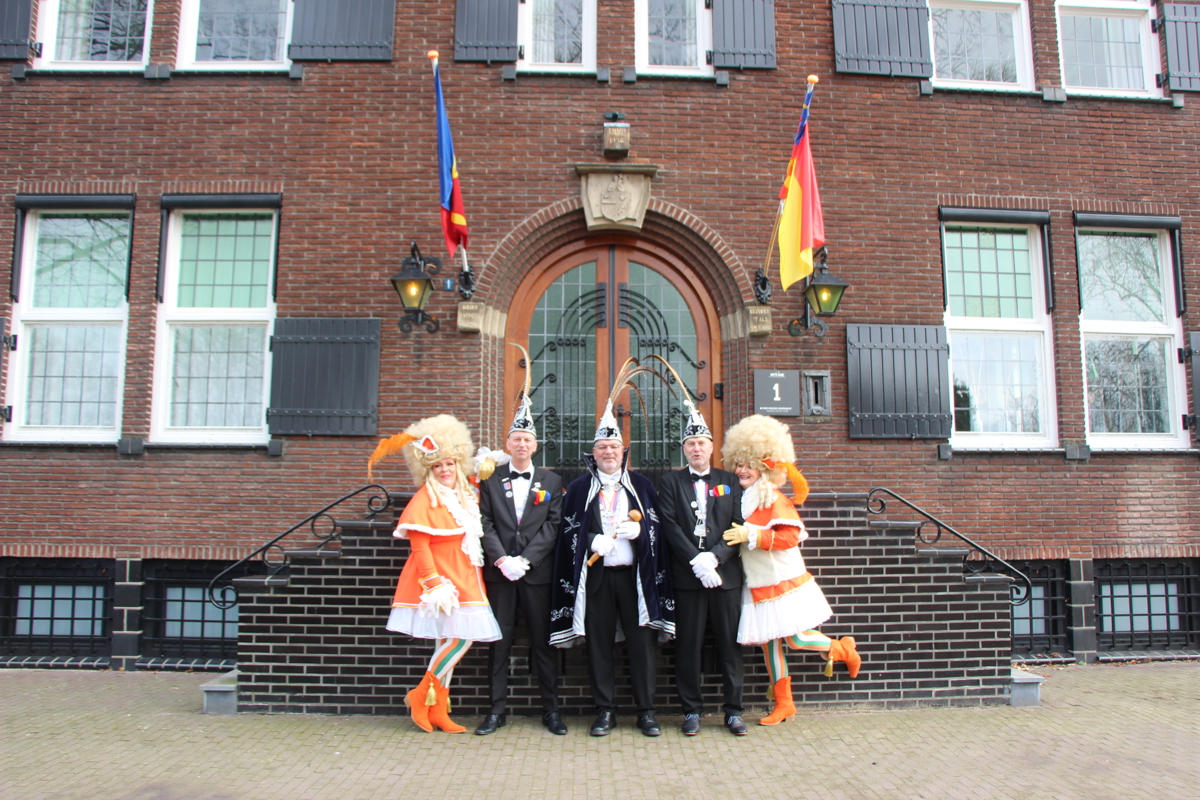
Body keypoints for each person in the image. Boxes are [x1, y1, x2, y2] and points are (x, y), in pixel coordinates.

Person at [549, 358, 674, 737]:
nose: (608, 452)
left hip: (636, 577)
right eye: (602, 447)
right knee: (599, 644)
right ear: (594, 452)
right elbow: (566, 532)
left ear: (624, 451)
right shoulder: (577, 489)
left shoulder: (644, 486)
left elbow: (659, 528)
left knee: (642, 644)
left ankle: (646, 711)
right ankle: (604, 710)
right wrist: (591, 540)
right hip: (598, 578)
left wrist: (642, 532)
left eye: (614, 447)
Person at [720, 414, 861, 725]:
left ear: (764, 466)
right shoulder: (740, 497)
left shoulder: (773, 497)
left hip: (782, 580)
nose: (742, 470)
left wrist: (751, 536)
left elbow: (790, 537)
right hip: (756, 583)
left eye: (749, 464)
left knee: (796, 639)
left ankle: (841, 648)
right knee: (770, 645)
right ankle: (785, 704)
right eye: (738, 463)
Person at [370, 414, 501, 734]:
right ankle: (422, 694)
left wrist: (492, 460)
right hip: (443, 579)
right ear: (428, 469)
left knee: (447, 641)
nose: (445, 470)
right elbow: (419, 547)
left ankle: (436, 706)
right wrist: (433, 584)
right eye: (438, 465)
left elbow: (488, 473)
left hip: (466, 573)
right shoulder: (424, 499)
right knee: (460, 639)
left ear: (458, 464)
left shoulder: (466, 494)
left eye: (450, 464)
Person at [474, 352, 566, 736]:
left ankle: (551, 711)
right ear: (508, 443)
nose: (522, 444)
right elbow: (484, 522)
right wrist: (501, 560)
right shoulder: (490, 480)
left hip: (536, 575)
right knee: (499, 643)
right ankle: (496, 711)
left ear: (535, 444)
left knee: (543, 644)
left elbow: (554, 525)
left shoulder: (552, 481)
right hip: (500, 576)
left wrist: (525, 560)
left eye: (527, 439)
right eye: (516, 439)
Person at [655, 369, 748, 737]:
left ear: (711, 448)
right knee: (688, 646)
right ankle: (691, 710)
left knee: (729, 646)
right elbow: (669, 525)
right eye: (691, 443)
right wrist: (696, 561)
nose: (697, 448)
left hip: (726, 579)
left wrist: (716, 557)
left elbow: (738, 524)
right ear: (685, 449)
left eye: (702, 443)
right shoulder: (670, 482)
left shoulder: (729, 481)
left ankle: (733, 711)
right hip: (688, 579)